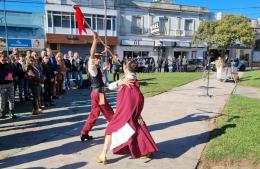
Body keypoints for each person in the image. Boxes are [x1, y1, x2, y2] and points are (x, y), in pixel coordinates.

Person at [96, 60, 159, 164]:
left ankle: (103, 155)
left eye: (124, 66)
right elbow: (139, 99)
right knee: (136, 129)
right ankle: (145, 150)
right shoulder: (132, 80)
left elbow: (111, 87)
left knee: (110, 129)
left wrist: (119, 83)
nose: (122, 67)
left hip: (124, 113)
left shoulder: (127, 81)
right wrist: (138, 113)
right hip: (129, 113)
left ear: (126, 68)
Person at [80, 32, 114, 141]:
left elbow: (97, 56)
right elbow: (92, 54)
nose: (99, 60)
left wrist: (105, 50)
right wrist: (94, 40)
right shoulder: (91, 66)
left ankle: (84, 132)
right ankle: (119, 129)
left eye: (99, 58)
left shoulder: (95, 66)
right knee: (109, 113)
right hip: (99, 94)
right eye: (97, 58)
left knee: (94, 114)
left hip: (96, 93)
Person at [0, 53, 16, 119]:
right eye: (2, 58)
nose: (3, 59)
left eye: (4, 57)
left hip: (10, 84)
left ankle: (11, 113)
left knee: (11, 99)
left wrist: (9, 77)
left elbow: (12, 73)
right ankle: (2, 113)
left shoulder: (8, 65)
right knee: (2, 100)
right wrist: (4, 78)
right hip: (1, 85)